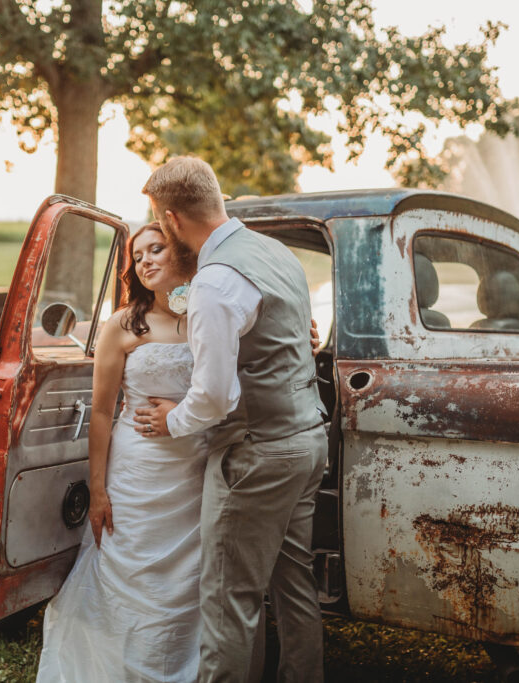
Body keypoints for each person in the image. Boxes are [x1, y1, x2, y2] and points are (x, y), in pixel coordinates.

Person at [136, 156, 328, 683]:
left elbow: (215, 397)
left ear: (172, 220)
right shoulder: (275, 253)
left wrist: (173, 418)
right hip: (308, 439)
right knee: (294, 586)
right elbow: (294, 334)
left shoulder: (216, 283)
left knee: (229, 599)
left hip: (256, 456)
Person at [36, 222, 207, 683]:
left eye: (158, 249)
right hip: (136, 469)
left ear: (184, 255)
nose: (147, 260)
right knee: (126, 566)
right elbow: (101, 413)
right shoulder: (123, 324)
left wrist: (307, 337)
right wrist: (97, 489)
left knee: (188, 577)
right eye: (138, 255)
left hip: (195, 469)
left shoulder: (209, 316)